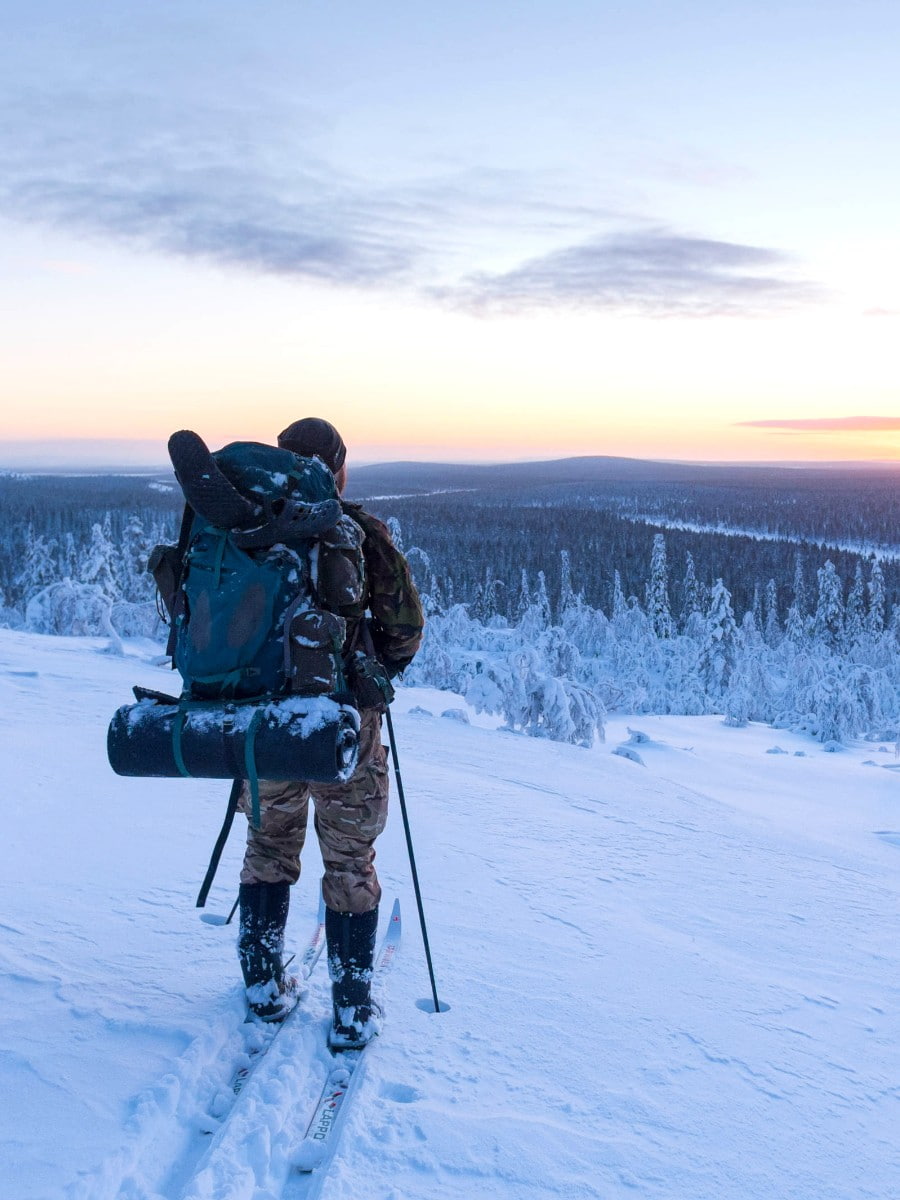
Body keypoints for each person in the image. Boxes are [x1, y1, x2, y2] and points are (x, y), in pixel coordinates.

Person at [235, 417, 424, 1047]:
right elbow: (406, 629)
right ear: (336, 469)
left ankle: (262, 987)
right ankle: (349, 1012)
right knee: (349, 862)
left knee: (268, 848)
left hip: (264, 728)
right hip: (342, 726)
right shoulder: (358, 533)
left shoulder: (245, 528)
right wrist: (370, 667)